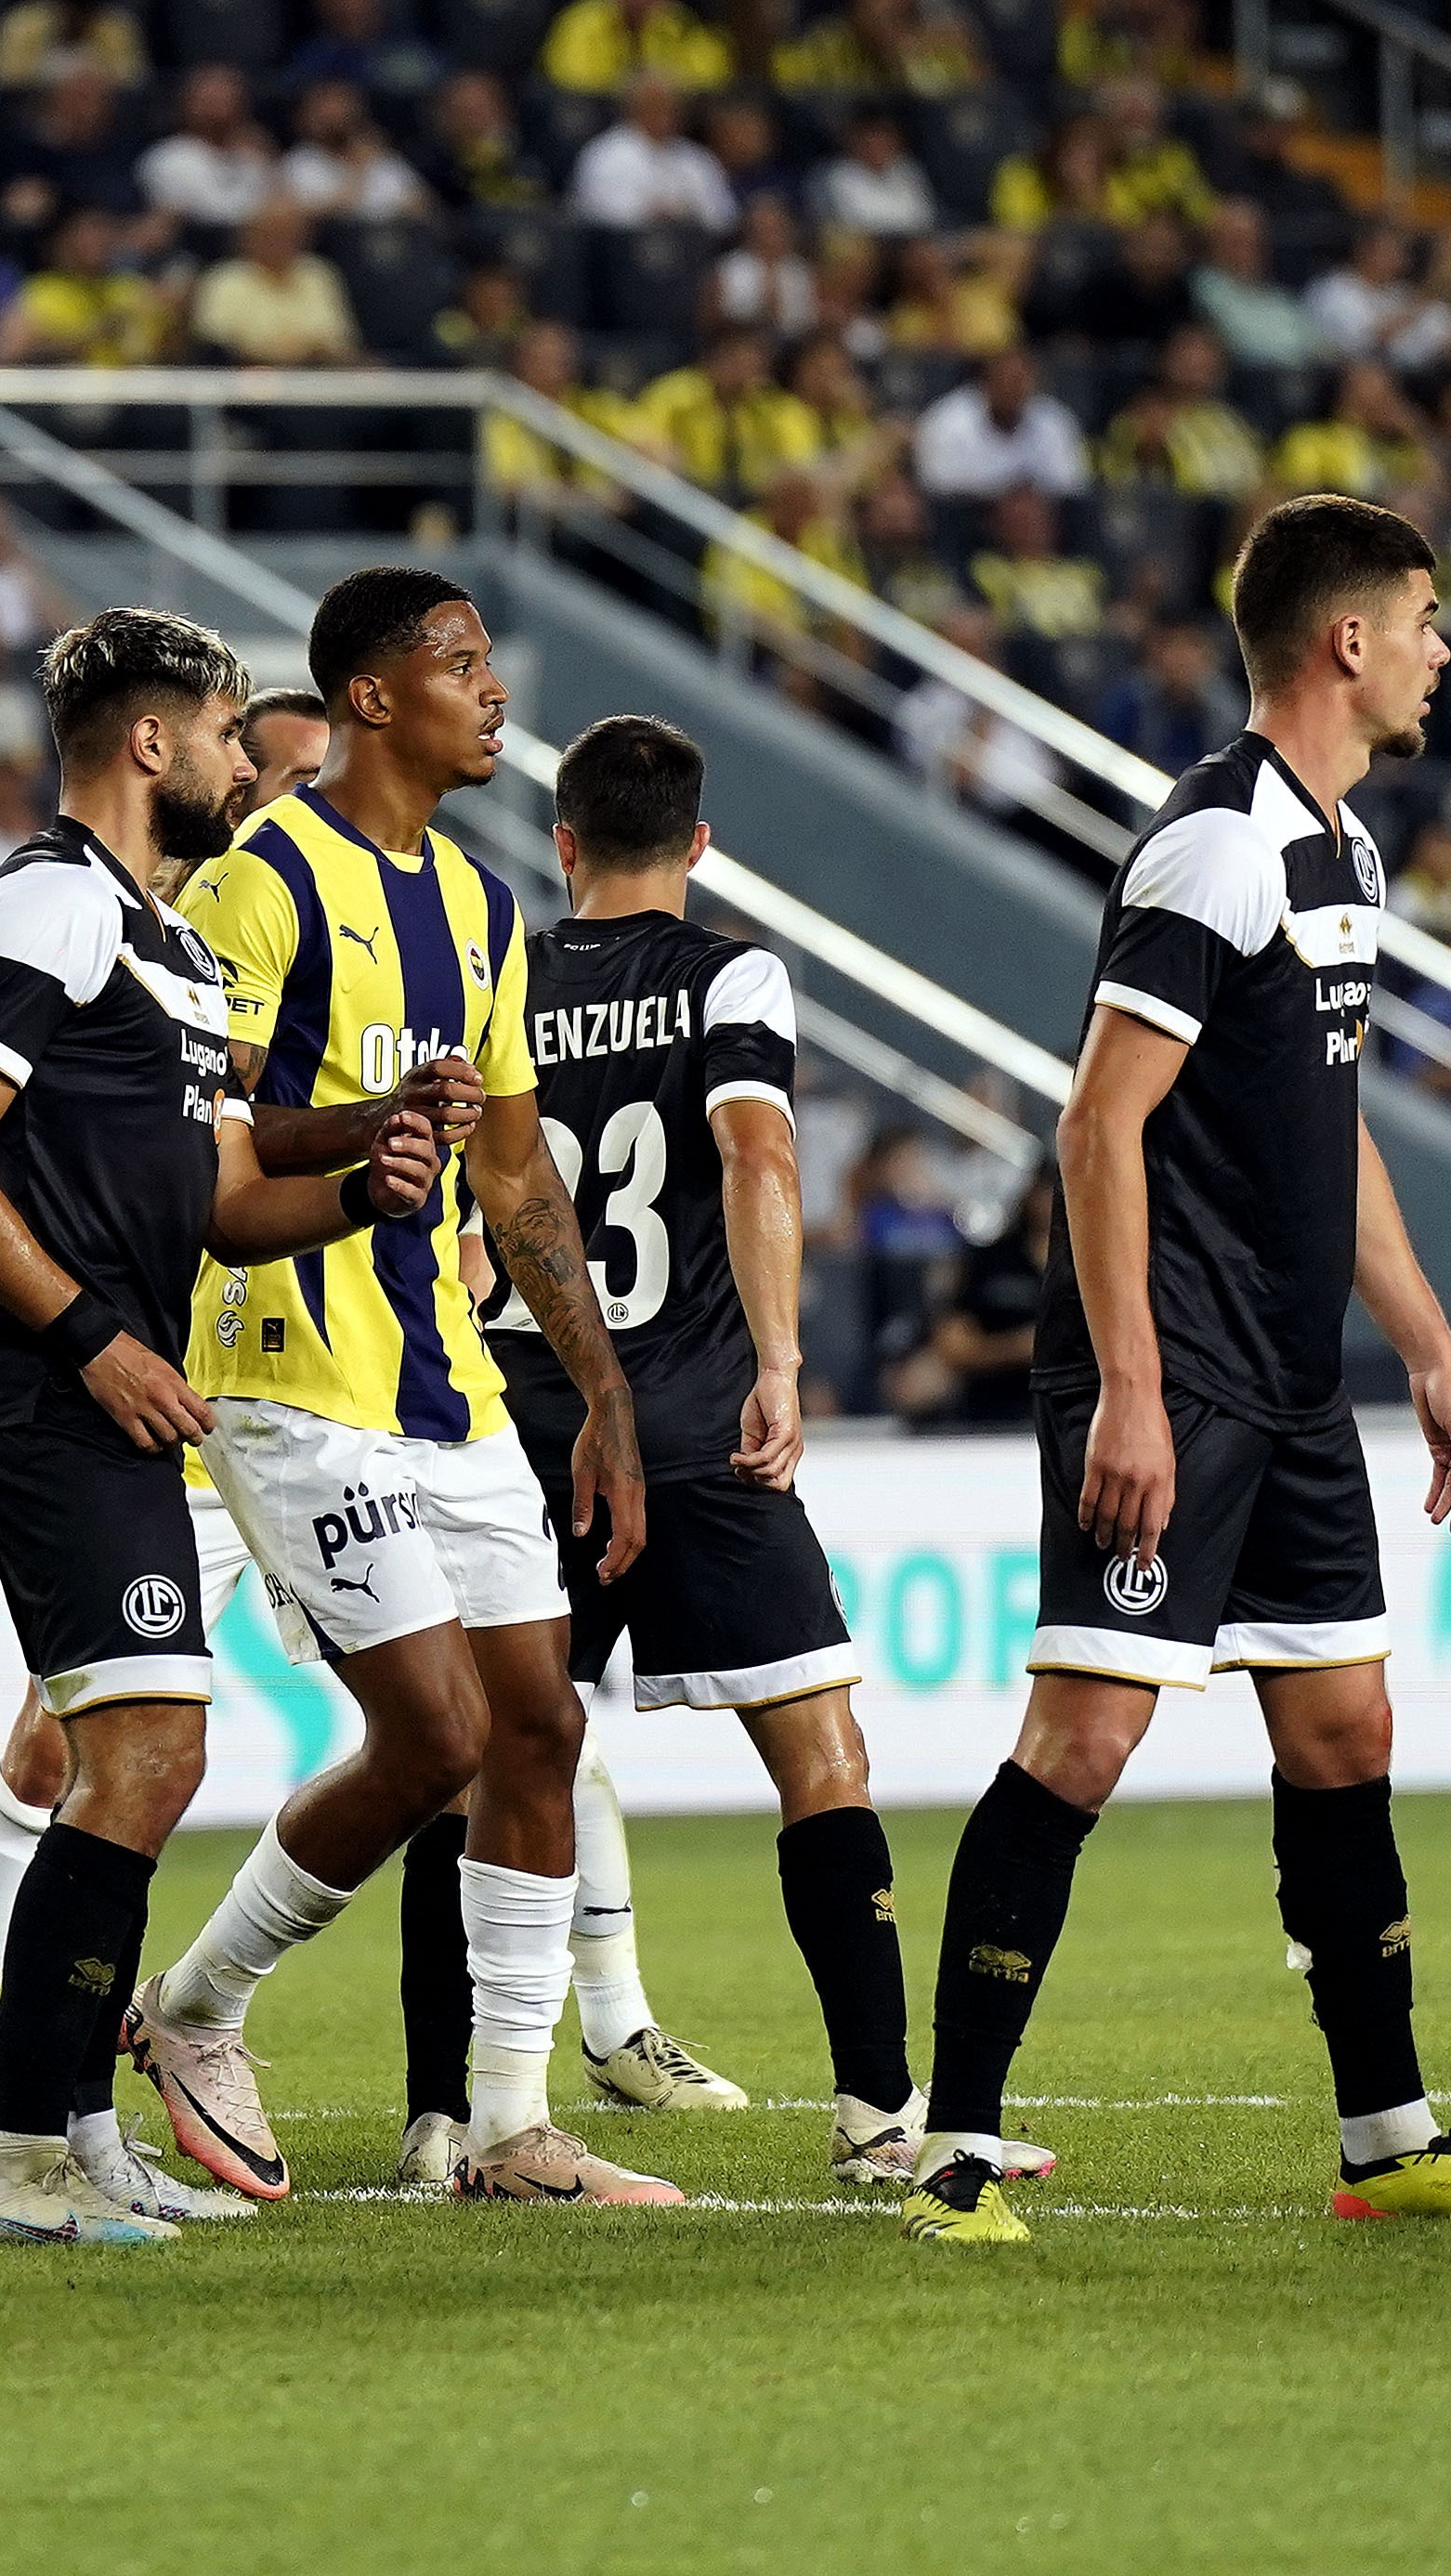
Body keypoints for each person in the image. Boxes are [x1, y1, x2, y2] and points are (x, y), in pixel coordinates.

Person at [908, 491, 1451, 2254]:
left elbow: (1329, 1130)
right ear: (1344, 641)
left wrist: (1428, 1347)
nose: (1444, 649)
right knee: (1086, 1733)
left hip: (1288, 1386)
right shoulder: (1215, 846)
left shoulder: (1341, 853)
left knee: (1348, 1723)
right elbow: (1095, 1123)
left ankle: (1387, 2131)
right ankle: (956, 2143)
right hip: (1174, 1374)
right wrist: (1127, 1387)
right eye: (1425, 617)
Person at [0, 606, 440, 2243]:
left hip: (113, 1374)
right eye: (215, 741)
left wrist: (362, 1173)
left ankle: (62, 2132)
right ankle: (24, 2154)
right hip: (46, 1378)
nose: (235, 770)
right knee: (141, 1749)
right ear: (149, 741)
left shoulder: (172, 945)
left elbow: (221, 1202)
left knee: (148, 1749)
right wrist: (92, 1336)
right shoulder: (49, 896)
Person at [126, 565, 669, 2209]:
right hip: (286, 1370)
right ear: (370, 696)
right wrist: (366, 1131)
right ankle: (195, 2007)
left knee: (540, 1726)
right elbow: (192, 1147)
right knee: (431, 1731)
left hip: (450, 1384)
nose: (492, 692)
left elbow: (518, 1185)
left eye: (489, 663)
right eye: (459, 662)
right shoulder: (259, 883)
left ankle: (506, 2129)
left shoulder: (489, 909)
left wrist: (607, 1398)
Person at [467, 714, 908, 2173]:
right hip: (698, 1416)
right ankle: (877, 2115)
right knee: (822, 1754)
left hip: (531, 1417)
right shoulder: (733, 972)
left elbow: (482, 1209)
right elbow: (759, 1149)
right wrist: (782, 1356)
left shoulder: (499, 971)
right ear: (700, 843)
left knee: (505, 1760)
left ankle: (454, 2117)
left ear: (564, 842)